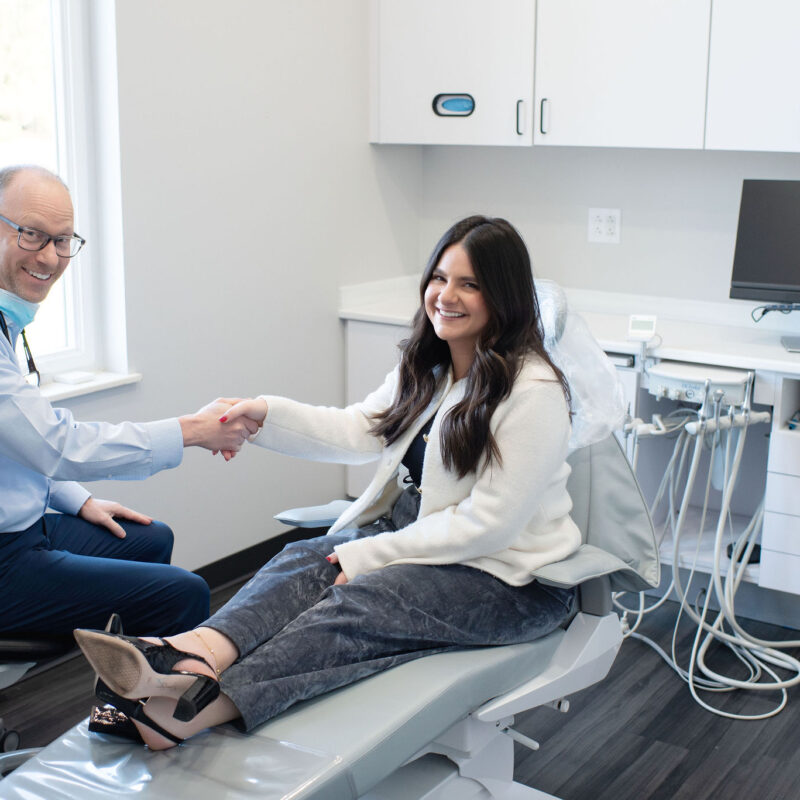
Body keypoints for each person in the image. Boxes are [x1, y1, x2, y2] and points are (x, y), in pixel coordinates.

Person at [75, 215, 581, 749]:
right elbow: (359, 427)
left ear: (503, 295)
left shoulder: (534, 390)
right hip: (432, 542)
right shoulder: (432, 371)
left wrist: (371, 556)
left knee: (359, 600)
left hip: (511, 579)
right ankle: (190, 654)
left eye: (469, 284)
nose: (444, 295)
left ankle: (191, 711)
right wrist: (263, 413)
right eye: (438, 277)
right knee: (301, 558)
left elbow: (489, 525)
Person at [0, 165, 258, 637]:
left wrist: (78, 502)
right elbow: (58, 446)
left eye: (63, 241)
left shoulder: (8, 323)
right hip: (4, 555)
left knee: (150, 539)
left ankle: (126, 689)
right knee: (185, 593)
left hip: (22, 527)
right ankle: (140, 710)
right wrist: (195, 430)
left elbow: (15, 445)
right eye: (33, 234)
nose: (51, 257)